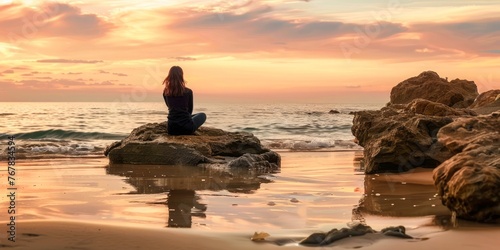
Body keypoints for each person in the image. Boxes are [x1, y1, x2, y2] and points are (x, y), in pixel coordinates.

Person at [162, 66, 206, 135]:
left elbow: (169, 107)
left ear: (169, 76)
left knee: (193, 115)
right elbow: (189, 111)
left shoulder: (166, 92)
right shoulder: (188, 91)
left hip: (171, 129)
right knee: (202, 115)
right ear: (181, 76)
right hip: (186, 128)